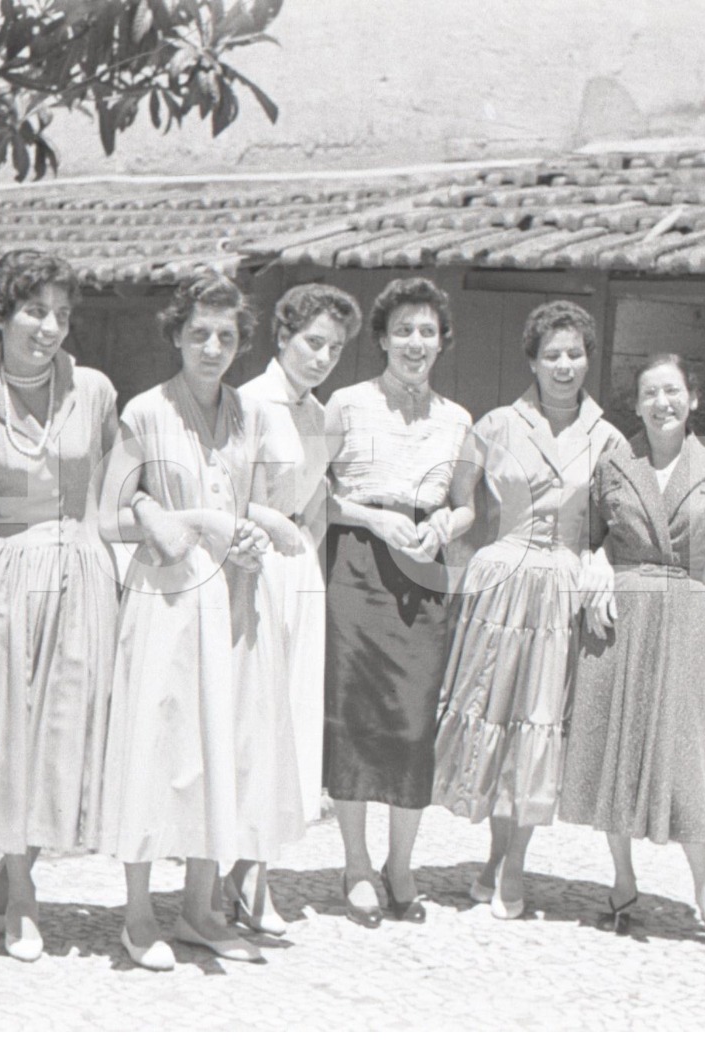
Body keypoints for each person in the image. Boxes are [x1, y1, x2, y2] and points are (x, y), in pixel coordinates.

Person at [96, 272, 305, 970]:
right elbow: (109, 515)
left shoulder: (251, 413)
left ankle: (200, 909)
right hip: (168, 599)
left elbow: (251, 502)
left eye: (226, 335)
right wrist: (175, 516)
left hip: (237, 601)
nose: (212, 347)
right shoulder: (145, 412)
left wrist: (254, 529)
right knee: (159, 745)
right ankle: (135, 914)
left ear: (242, 342)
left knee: (226, 744)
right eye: (199, 334)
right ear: (176, 337)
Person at [0, 250, 120, 963]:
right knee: (10, 738)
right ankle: (20, 897)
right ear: (0, 313)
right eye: (33, 310)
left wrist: (115, 564)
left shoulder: (95, 390)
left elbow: (108, 493)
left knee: (63, 740)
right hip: (8, 573)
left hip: (81, 569)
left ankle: (6, 883)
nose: (48, 327)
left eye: (61, 313)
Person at [433, 301, 624, 920]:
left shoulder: (609, 438)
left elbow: (617, 528)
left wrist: (600, 565)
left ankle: (514, 865)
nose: (565, 366)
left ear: (588, 359)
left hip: (563, 591)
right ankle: (493, 857)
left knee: (539, 725)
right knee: (500, 720)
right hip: (500, 586)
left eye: (575, 354)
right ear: (533, 362)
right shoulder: (493, 425)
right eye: (552, 355)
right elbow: (460, 506)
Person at [560, 352, 705, 957]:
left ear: (693, 398)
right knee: (616, 747)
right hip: (620, 623)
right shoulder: (615, 464)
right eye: (650, 394)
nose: (662, 403)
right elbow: (582, 537)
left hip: (692, 623)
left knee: (688, 757)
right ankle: (622, 883)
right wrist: (594, 566)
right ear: (637, 404)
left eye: (673, 391)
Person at [322, 276, 475, 927]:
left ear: (441, 342)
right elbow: (313, 494)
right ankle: (356, 864)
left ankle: (401, 863)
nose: (416, 342)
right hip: (357, 565)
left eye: (427, 331)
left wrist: (445, 525)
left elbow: (468, 502)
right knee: (355, 717)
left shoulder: (457, 418)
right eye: (403, 330)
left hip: (424, 572)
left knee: (413, 726)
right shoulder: (345, 404)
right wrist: (372, 520)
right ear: (381, 338)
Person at [228, 282, 362, 935]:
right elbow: (229, 494)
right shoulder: (247, 403)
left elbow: (316, 504)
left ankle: (257, 868)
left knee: (290, 719)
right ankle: (234, 871)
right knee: (249, 719)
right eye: (312, 342)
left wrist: (301, 547)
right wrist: (271, 534)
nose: (321, 357)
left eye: (334, 348)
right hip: (248, 564)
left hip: (298, 571)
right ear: (282, 335)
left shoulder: (321, 417)